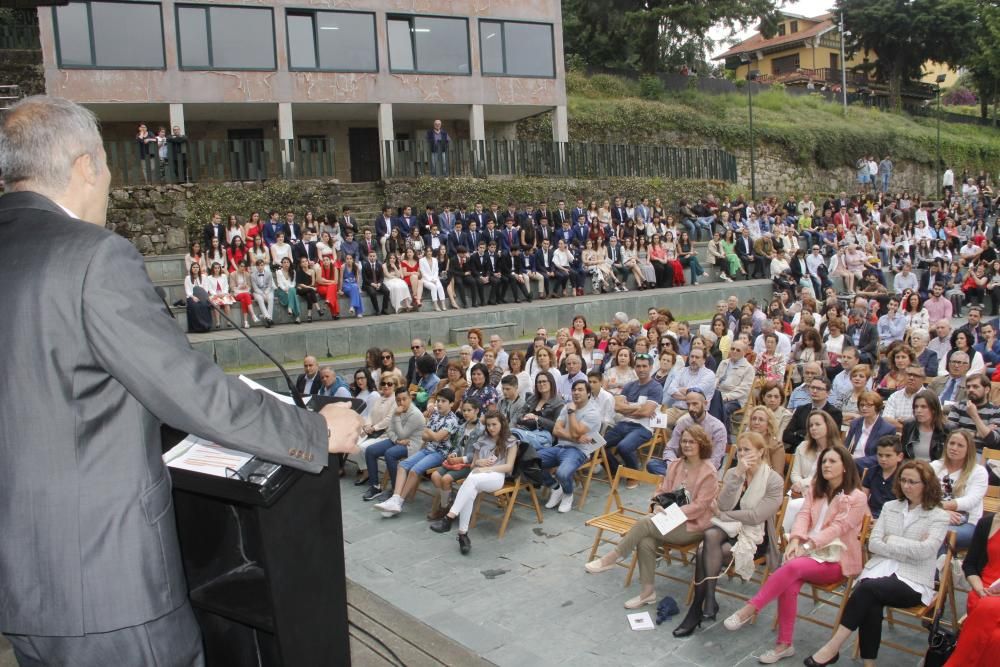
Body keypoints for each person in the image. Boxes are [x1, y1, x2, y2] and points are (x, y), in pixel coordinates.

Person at [0, 96, 362, 665]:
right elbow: (190, 390)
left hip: (25, 589)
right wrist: (316, 431)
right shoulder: (93, 257)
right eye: (108, 169)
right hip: (109, 586)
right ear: (84, 166)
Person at [724, 446, 868, 666]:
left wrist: (808, 545)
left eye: (832, 461)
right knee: (790, 579)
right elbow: (803, 516)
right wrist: (794, 540)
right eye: (824, 462)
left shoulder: (856, 497)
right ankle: (784, 645)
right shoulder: (816, 489)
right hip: (807, 552)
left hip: (836, 557)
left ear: (846, 467)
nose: (826, 465)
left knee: (791, 568)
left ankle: (750, 609)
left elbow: (838, 528)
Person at [805, 459, 949, 667]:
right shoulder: (890, 507)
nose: (906, 486)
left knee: (868, 590)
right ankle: (868, 663)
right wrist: (909, 546)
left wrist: (890, 540)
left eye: (913, 482)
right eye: (903, 480)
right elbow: (873, 544)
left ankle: (832, 647)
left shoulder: (938, 516)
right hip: (880, 572)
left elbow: (925, 551)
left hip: (913, 580)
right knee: (870, 597)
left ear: (926, 484)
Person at [585, 425, 720, 609]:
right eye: (684, 441)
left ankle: (614, 556)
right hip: (668, 520)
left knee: (646, 523)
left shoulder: (709, 472)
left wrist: (671, 514)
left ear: (701, 444)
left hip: (693, 526)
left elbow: (700, 506)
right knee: (645, 539)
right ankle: (647, 593)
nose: (687, 445)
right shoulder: (676, 465)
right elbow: (662, 490)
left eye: (692, 441)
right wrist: (657, 505)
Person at [672, 432, 783, 637]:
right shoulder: (734, 472)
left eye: (747, 450)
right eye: (739, 450)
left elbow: (756, 516)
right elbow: (722, 502)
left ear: (760, 452)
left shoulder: (774, 480)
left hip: (755, 536)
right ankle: (706, 602)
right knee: (710, 537)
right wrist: (737, 475)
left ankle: (699, 607)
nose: (742, 454)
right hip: (727, 530)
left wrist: (724, 515)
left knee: (705, 549)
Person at [429, 410, 518, 555]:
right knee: (470, 488)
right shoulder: (483, 439)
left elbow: (509, 467)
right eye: (488, 425)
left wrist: (487, 468)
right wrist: (480, 462)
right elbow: (473, 465)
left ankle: (449, 518)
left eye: (494, 424)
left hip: (496, 476)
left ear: (502, 424)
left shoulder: (510, 440)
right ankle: (463, 534)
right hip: (477, 475)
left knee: (471, 480)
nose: (491, 428)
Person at [373, 389, 460, 516]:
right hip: (427, 449)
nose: (439, 403)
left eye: (443, 401)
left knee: (414, 470)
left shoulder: (452, 420)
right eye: (438, 401)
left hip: (440, 454)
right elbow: (425, 437)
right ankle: (395, 499)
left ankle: (399, 502)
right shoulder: (435, 414)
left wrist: (430, 432)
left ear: (451, 404)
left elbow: (435, 437)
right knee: (402, 465)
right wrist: (432, 434)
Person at [539, 380, 604, 513]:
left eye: (580, 390)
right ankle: (556, 487)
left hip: (578, 451)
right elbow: (556, 430)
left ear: (588, 394)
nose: (576, 392)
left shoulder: (592, 413)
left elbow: (575, 431)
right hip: (560, 446)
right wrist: (576, 438)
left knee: (562, 473)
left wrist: (571, 413)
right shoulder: (567, 406)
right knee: (530, 461)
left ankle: (568, 495)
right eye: (574, 390)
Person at [946, 511, 1000, 666]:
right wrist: (980, 588)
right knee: (995, 637)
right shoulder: (987, 523)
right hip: (984, 589)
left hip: (989, 603)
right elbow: (970, 564)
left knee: (996, 638)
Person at [604, 355, 663, 483]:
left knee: (624, 447)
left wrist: (628, 407)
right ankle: (616, 470)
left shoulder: (656, 387)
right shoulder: (629, 385)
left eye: (644, 366)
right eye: (638, 366)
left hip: (643, 428)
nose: (641, 369)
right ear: (634, 368)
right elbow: (617, 407)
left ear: (651, 368)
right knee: (597, 445)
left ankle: (633, 474)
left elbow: (647, 411)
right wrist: (638, 407)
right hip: (623, 423)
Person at [362, 387, 426, 502]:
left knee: (390, 454)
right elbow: (389, 430)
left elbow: (403, 434)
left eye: (404, 399)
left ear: (410, 398)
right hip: (397, 441)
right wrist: (396, 440)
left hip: (412, 444)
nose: (401, 403)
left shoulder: (415, 414)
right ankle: (375, 486)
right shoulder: (397, 409)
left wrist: (396, 417)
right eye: (398, 400)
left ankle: (396, 489)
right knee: (370, 450)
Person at [931, 429, 988, 549]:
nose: (954, 448)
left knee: (937, 535)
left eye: (960, 445)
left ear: (969, 450)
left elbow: (970, 501)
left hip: (967, 523)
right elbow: (919, 496)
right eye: (951, 443)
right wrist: (940, 513)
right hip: (934, 518)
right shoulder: (934, 467)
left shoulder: (978, 472)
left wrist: (939, 507)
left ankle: (940, 567)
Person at [863, 435, 906, 518]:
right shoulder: (871, 472)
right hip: (871, 514)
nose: (883, 459)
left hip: (894, 517)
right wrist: (869, 517)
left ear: (899, 457)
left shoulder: (904, 476)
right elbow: (863, 499)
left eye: (888, 455)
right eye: (880, 455)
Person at [901, 389, 947, 461]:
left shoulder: (947, 429)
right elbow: (904, 455)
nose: (918, 411)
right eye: (916, 407)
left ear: (934, 409)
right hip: (912, 468)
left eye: (923, 407)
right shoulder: (909, 426)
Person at [183, 262, 212, 333]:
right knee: (195, 306)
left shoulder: (204, 277)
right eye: (194, 267)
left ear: (199, 269)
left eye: (197, 267)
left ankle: (206, 325)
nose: (195, 269)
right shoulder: (188, 278)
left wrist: (202, 297)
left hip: (202, 296)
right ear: (191, 269)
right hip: (191, 297)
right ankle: (198, 327)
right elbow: (188, 291)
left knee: (204, 305)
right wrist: (193, 297)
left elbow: (206, 289)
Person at [274, 256, 302, 324]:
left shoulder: (293, 272)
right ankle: (297, 316)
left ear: (290, 263)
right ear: (282, 264)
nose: (286, 264)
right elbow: (279, 284)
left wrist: (289, 289)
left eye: (287, 262)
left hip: (290, 290)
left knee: (292, 290)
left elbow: (293, 283)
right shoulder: (278, 272)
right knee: (293, 294)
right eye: (284, 262)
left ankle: (290, 308)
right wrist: (286, 290)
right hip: (281, 291)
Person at [250, 258, 275, 327]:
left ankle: (268, 319)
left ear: (264, 266)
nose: (260, 267)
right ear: (256, 267)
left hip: (267, 290)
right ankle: (268, 318)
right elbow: (255, 288)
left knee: (270, 298)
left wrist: (266, 293)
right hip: (257, 291)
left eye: (261, 265)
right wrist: (262, 294)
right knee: (260, 299)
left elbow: (270, 286)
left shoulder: (269, 273)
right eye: (258, 266)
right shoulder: (252, 275)